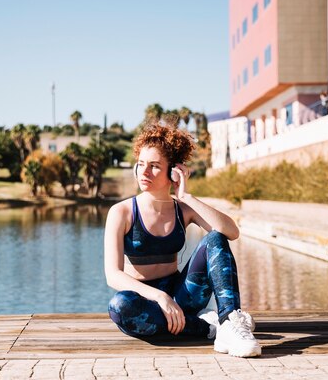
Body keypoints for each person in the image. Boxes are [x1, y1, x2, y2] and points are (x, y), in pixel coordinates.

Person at [104, 122, 261, 358]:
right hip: (145, 298)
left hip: (182, 295)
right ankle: (205, 328)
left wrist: (186, 195)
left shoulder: (183, 208)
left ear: (173, 172)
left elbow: (230, 232)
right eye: (141, 164)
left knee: (215, 237)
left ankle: (229, 321)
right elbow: (113, 275)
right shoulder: (122, 212)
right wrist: (159, 296)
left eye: (155, 166)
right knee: (121, 306)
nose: (144, 172)